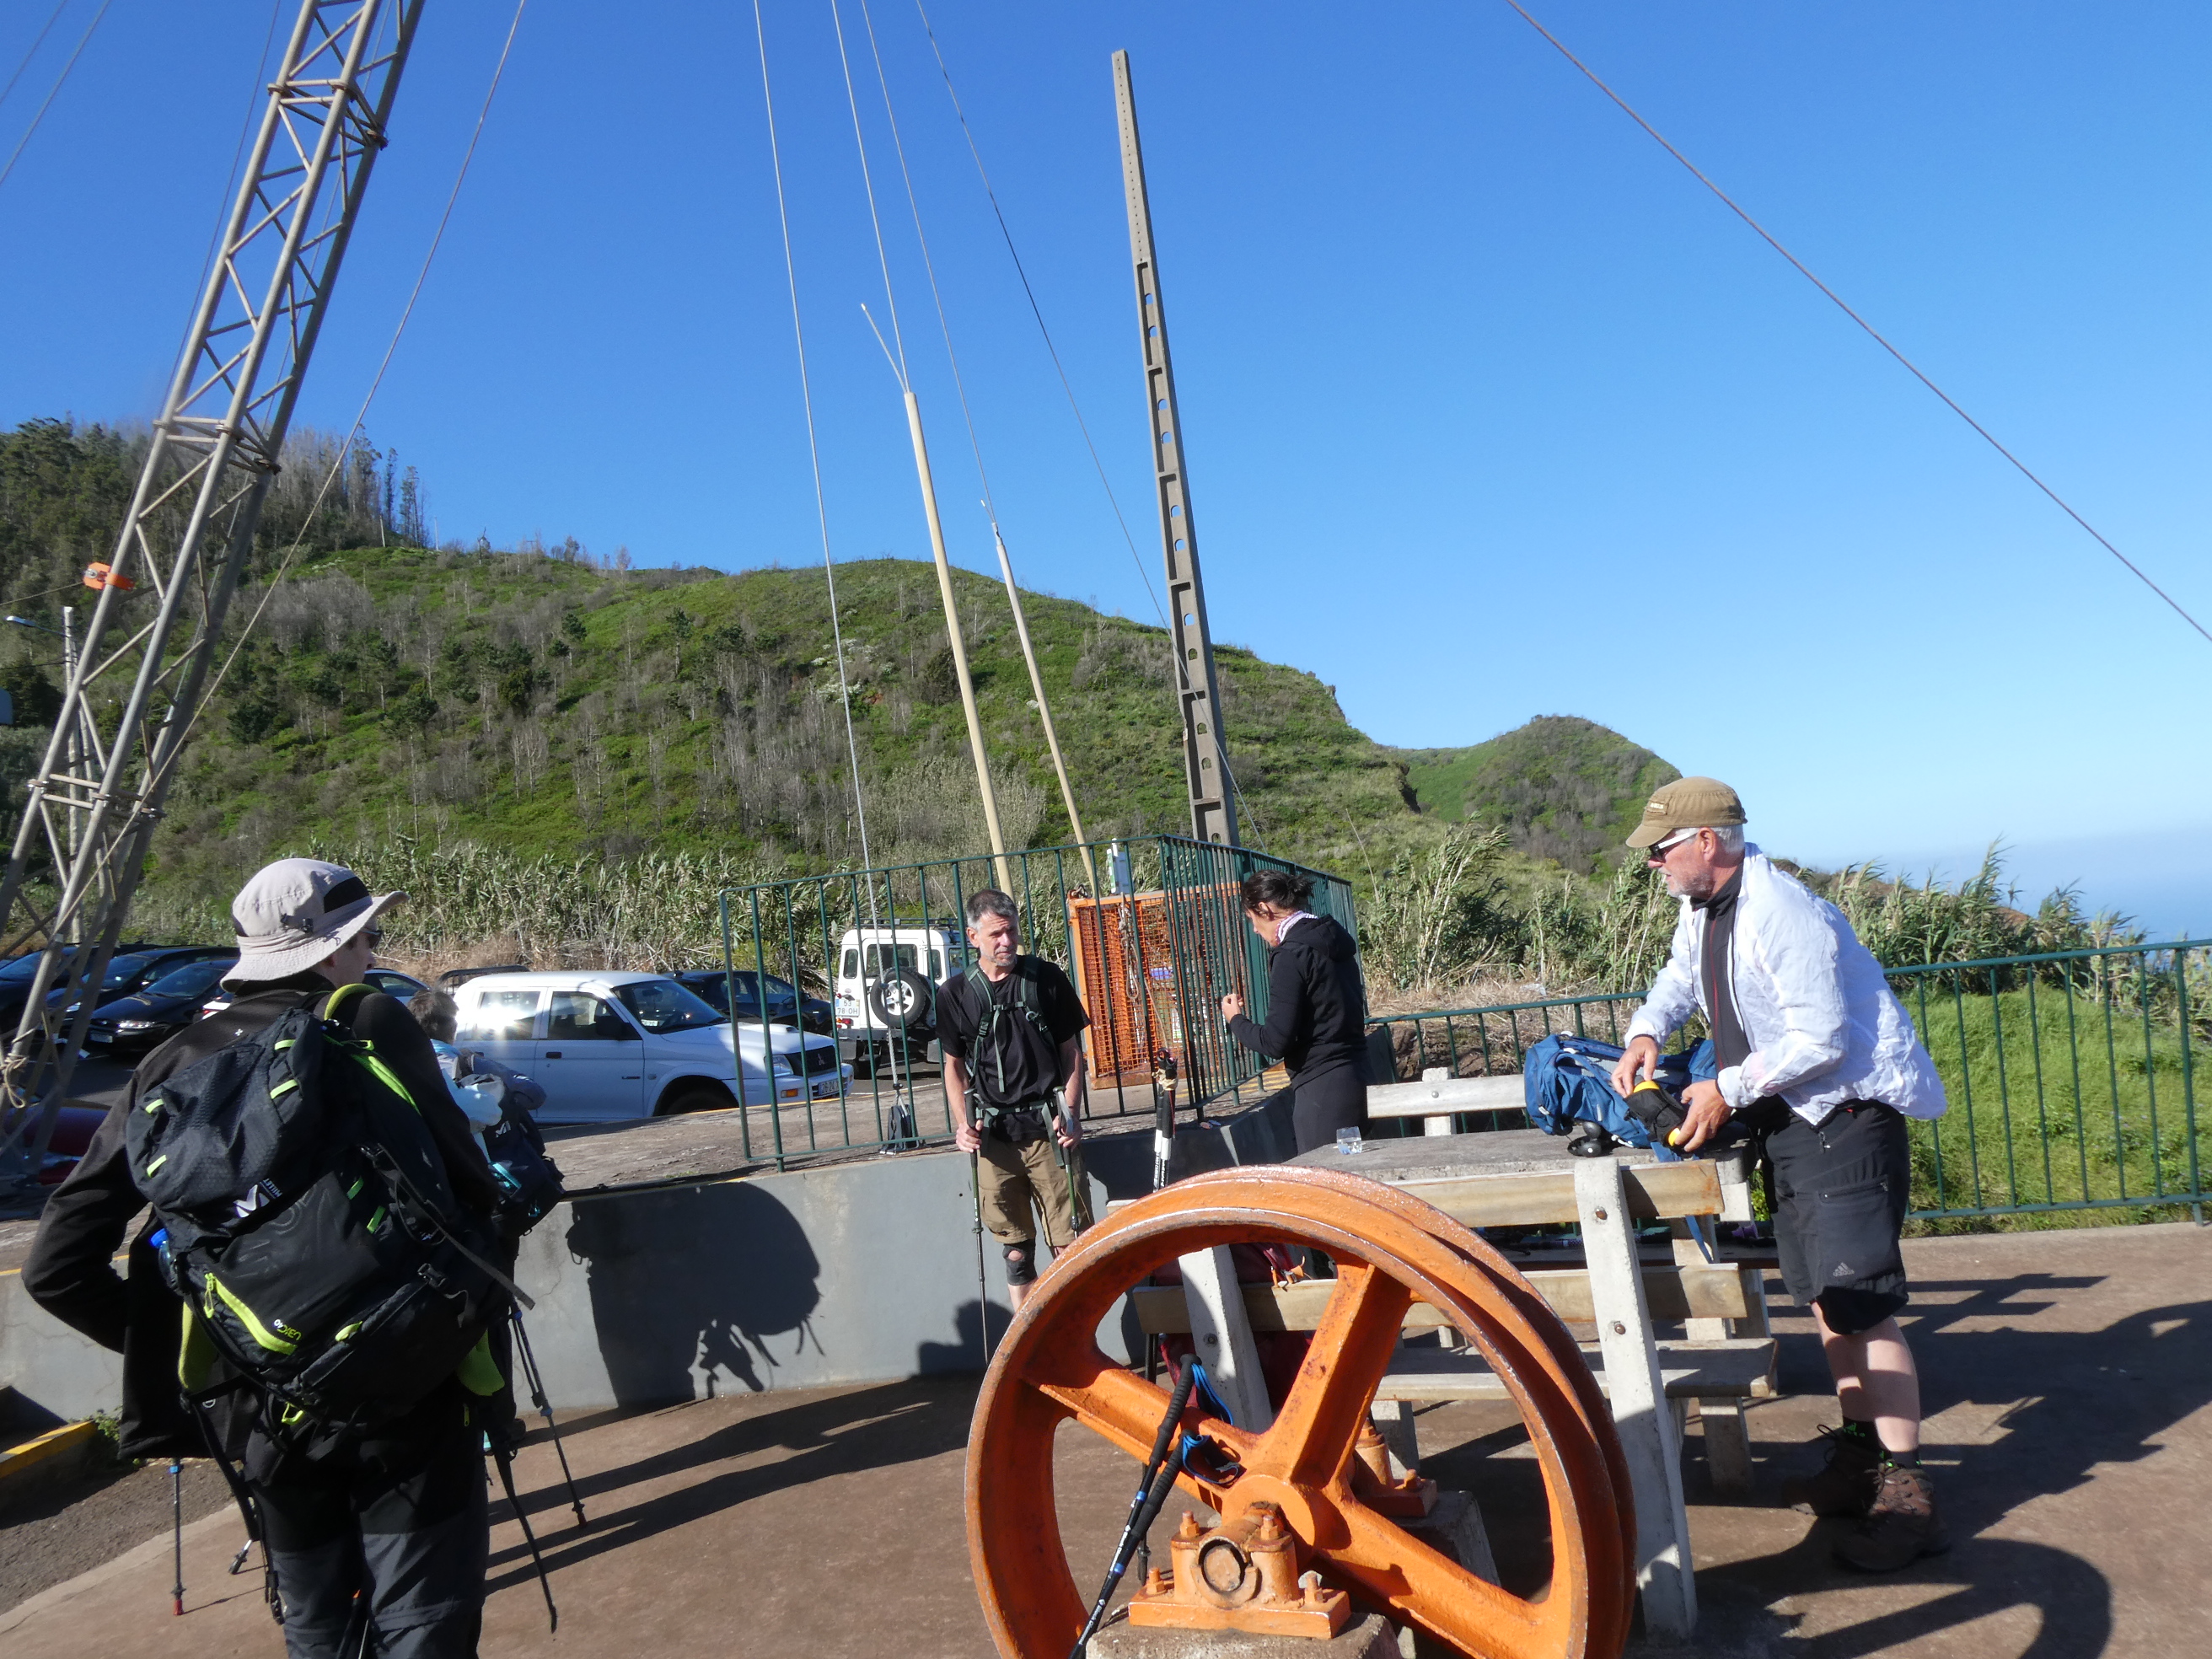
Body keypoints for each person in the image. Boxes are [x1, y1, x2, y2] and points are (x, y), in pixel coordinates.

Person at [25, 859, 507, 1656]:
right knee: (423, 1628)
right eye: (367, 939)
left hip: (268, 1419)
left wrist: (228, 1355)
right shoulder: (370, 1022)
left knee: (319, 1630)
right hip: (412, 1387)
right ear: (332, 949)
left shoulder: (168, 1067)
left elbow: (55, 1268)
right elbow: (475, 1192)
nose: (373, 953)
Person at [1608, 777, 1950, 1571]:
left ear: (1707, 842)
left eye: (1661, 850)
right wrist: (1647, 1030)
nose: (1653, 864)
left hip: (1845, 1119)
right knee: (1829, 1302)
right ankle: (1862, 1461)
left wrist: (1724, 1089)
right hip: (1794, 1123)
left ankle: (1910, 1500)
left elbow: (1821, 1039)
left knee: (1863, 1307)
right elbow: (1681, 978)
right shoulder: (1703, 909)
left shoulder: (1781, 911)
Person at [940, 888, 1093, 1310]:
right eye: (996, 934)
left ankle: (1076, 1338)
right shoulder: (954, 994)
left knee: (1071, 1246)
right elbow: (953, 1066)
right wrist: (962, 1125)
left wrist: (1071, 1113)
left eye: (1011, 931)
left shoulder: (1046, 979)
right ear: (973, 937)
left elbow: (1071, 1052)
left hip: (1050, 1133)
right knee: (1016, 1253)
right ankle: (1029, 1340)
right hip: (994, 1140)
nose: (1007, 941)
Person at [1219, 868, 1370, 1155]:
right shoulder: (1332, 938)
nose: (1254, 930)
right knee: (1351, 1176)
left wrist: (1235, 1019)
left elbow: (1275, 1042)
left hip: (1321, 1091)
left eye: (1251, 919)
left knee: (1321, 1179)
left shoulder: (1291, 954)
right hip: (1356, 1076)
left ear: (1264, 909)